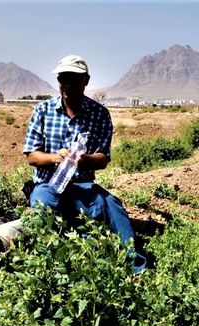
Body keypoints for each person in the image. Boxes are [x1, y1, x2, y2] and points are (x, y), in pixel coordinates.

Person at [23, 54, 145, 273]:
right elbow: (32, 156)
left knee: (113, 208)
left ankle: (136, 268)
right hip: (48, 185)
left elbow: (103, 159)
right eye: (63, 79)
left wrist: (85, 160)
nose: (67, 85)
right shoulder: (42, 111)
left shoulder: (99, 115)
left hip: (83, 186)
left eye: (74, 79)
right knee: (43, 206)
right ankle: (54, 267)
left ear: (86, 81)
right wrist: (54, 157)